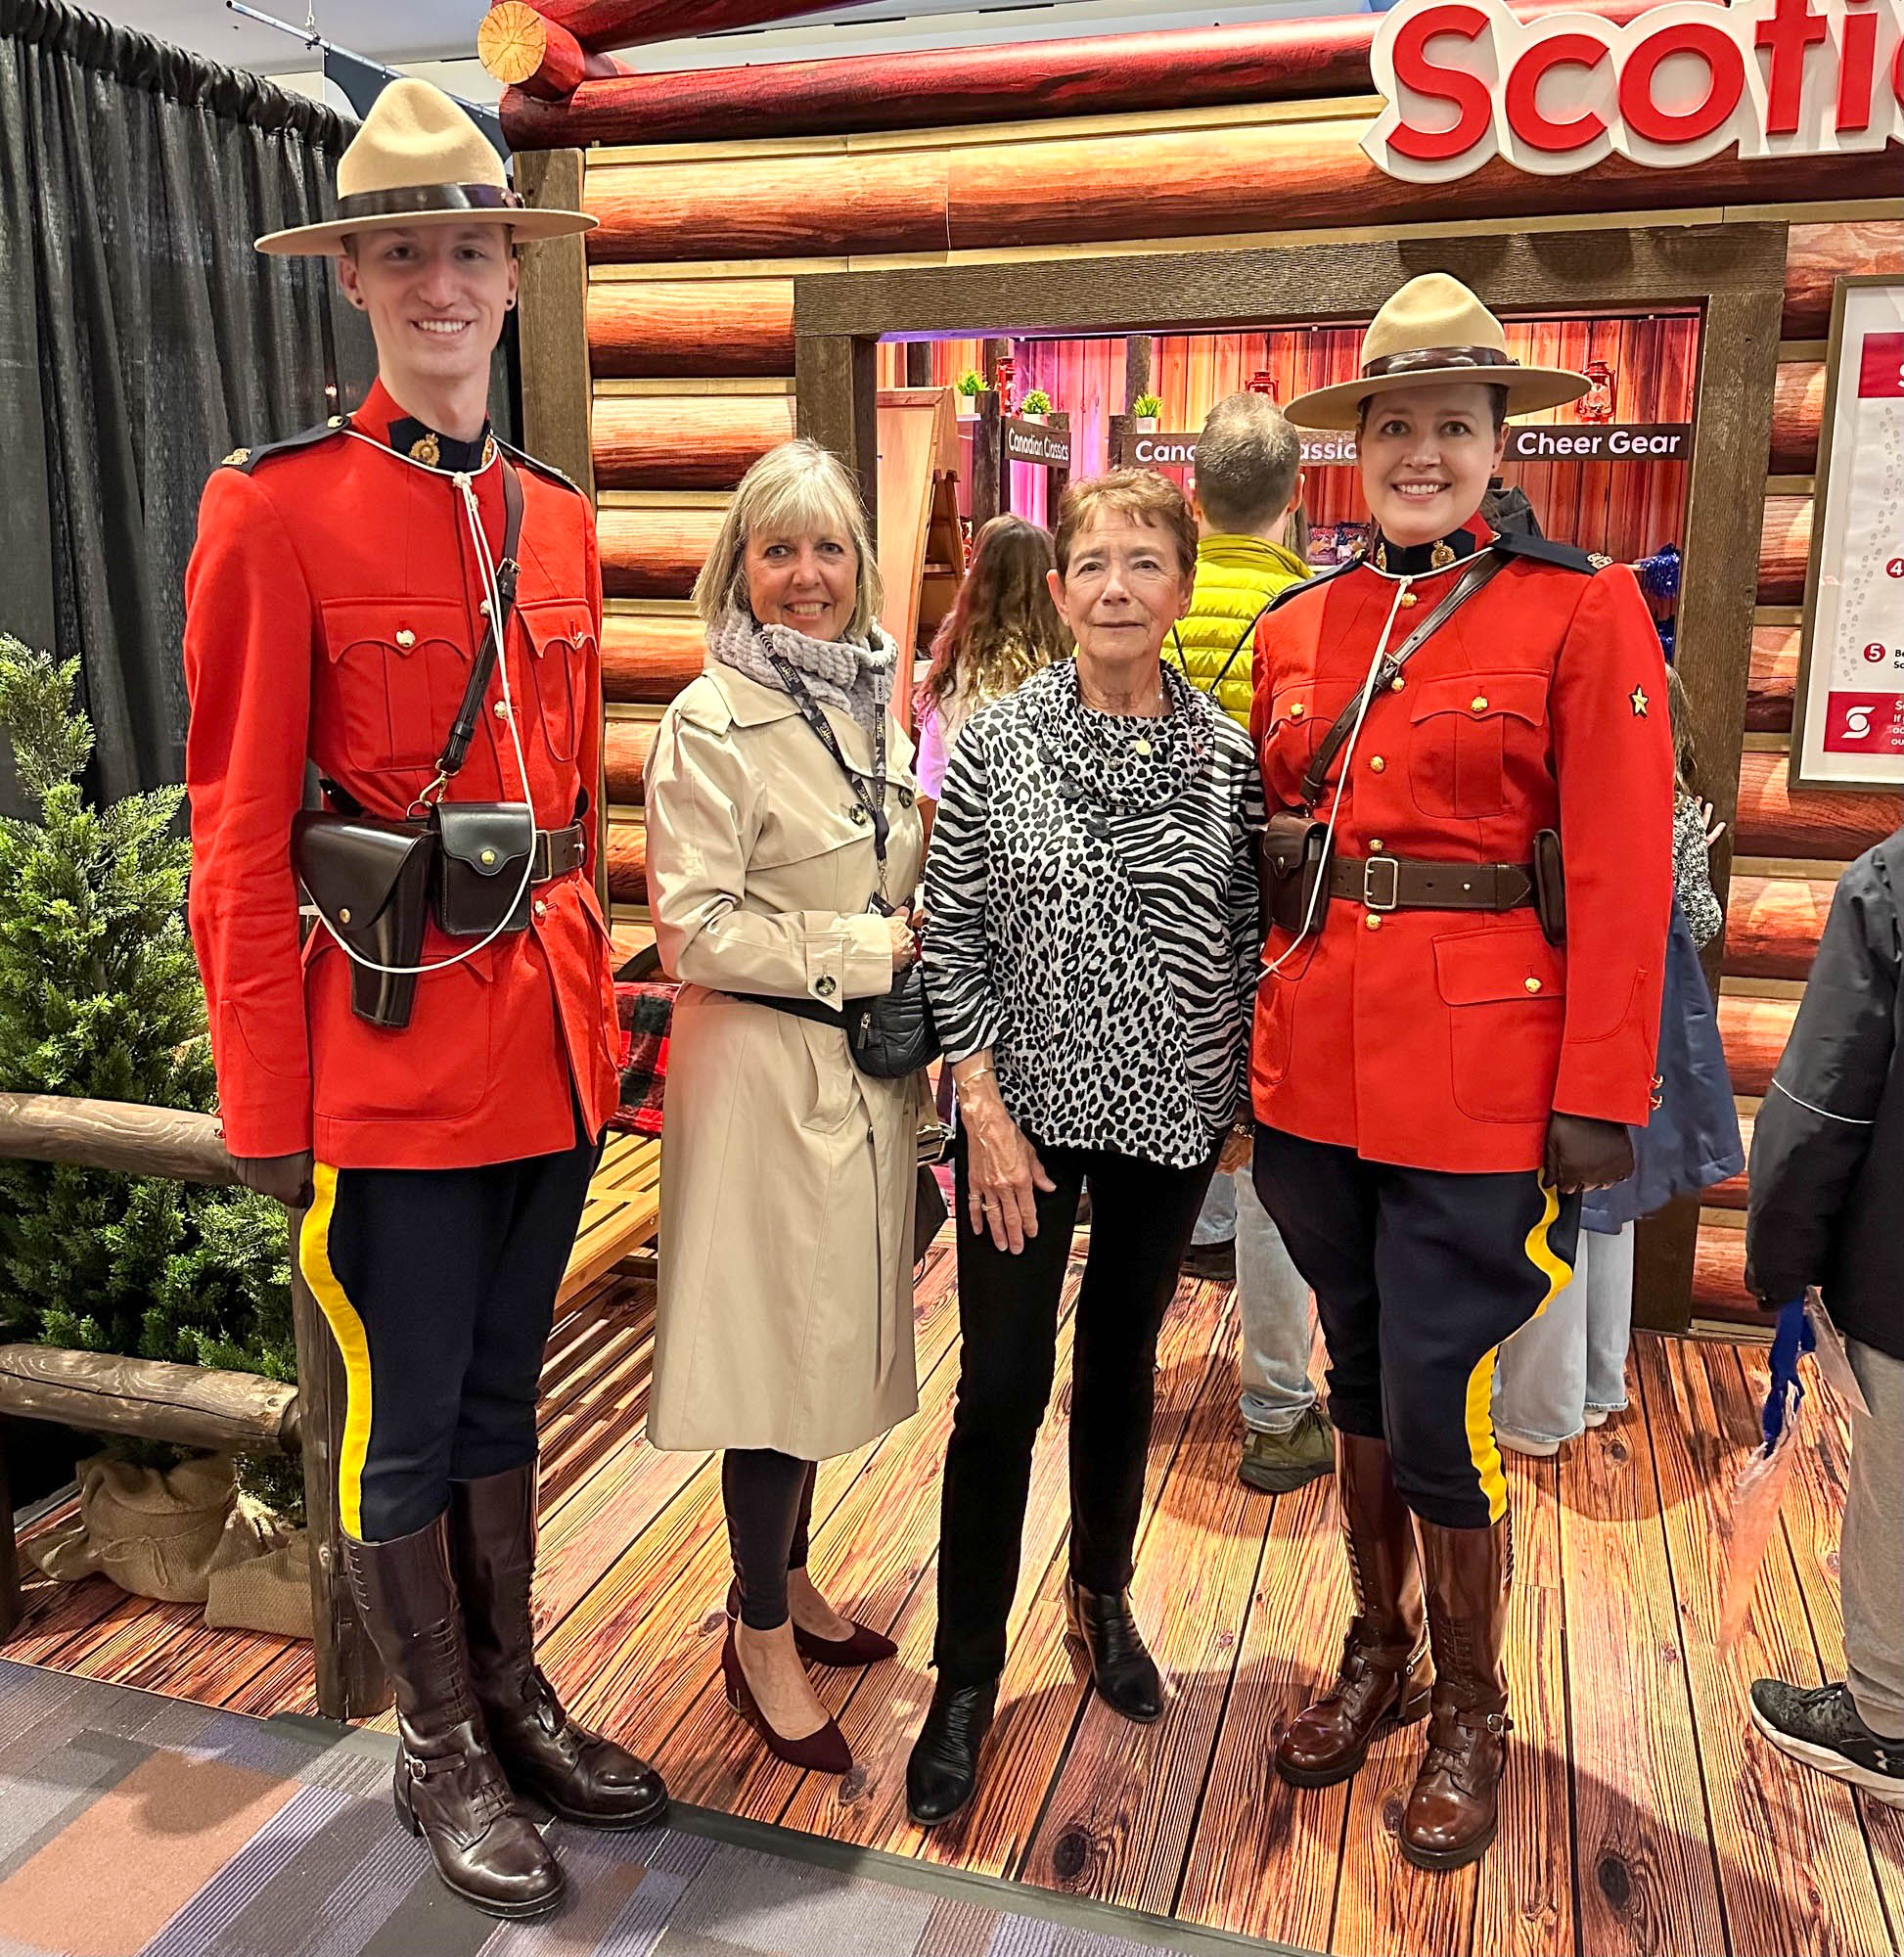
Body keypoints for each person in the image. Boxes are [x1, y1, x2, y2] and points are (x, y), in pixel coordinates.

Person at [183, 81, 664, 1920]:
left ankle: (512, 1689)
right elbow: (238, 830)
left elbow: (572, 809)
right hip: (379, 1055)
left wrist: (606, 1022)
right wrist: (266, 1103)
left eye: (471, 247)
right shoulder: (273, 512)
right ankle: (434, 1743)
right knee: (396, 1417)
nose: (442, 281)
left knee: (494, 1402)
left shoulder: (556, 517)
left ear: (513, 279)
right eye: (405, 251)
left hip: (542, 1043)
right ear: (359, 282)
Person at [1250, 273, 1674, 1871]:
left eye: (1451, 424)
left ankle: (1472, 1702)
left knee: (1440, 1399)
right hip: (1316, 1075)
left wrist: (1599, 1093)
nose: (1420, 451)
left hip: (1488, 1077)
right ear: (1358, 448)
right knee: (1358, 1372)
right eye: (1394, 425)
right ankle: (1379, 1646)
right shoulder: (1300, 628)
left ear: (1498, 443)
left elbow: (1627, 872)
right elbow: (1266, 869)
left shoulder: (1583, 611)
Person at [907, 470, 1263, 1828]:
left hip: (1171, 1115)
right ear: (1056, 592)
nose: (1116, 588)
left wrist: (1230, 1101)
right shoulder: (995, 743)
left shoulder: (1223, 755)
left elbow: (1234, 940)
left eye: (1143, 565)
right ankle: (963, 1673)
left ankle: (1101, 1593)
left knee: (1122, 1368)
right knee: (998, 1387)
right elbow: (954, 929)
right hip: (1020, 1124)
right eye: (1092, 566)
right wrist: (980, 1110)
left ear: (1179, 587)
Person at [644, 438, 924, 1782]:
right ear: (739, 570)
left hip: (860, 1081)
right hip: (761, 1075)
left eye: (828, 549)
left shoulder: (879, 702)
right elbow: (692, 930)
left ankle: (795, 1580)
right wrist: (867, 953)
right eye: (779, 551)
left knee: (820, 1346)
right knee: (768, 1366)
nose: (807, 577)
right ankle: (754, 1633)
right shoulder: (708, 722)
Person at [1494, 663, 1739, 1456]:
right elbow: (1700, 920)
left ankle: (1542, 1409)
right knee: (1609, 1205)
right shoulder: (1673, 801)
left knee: (1558, 1208)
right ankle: (1600, 1380)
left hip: (1575, 1017)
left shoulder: (1581, 799)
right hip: (1652, 1027)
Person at [1172, 391, 1333, 1496]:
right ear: (1300, 496)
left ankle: (1113, 1370)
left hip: (1157, 944)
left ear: (1191, 496)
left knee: (1140, 1165)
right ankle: (1275, 1413)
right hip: (1282, 945)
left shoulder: (1147, 610)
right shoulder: (1321, 621)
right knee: (1278, 1182)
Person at [1745, 825, 1904, 1809]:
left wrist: (1785, 1265)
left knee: (1893, 1501)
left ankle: (1883, 1721)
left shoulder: (1888, 882)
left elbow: (1820, 1107)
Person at [915, 513, 1068, 832]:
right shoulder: (1069, 666)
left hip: (971, 847)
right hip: (1054, 845)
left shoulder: (955, 666)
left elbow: (931, 777)